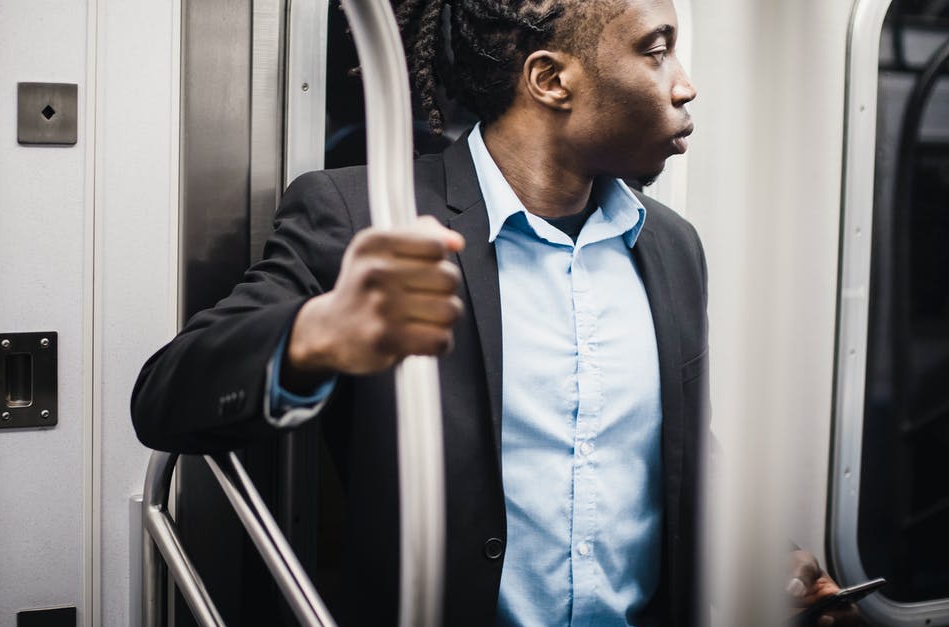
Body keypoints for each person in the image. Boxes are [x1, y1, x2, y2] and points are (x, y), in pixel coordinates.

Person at [131, 0, 849, 624]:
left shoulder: (670, 248)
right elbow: (165, 397)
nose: (685, 85)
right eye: (655, 51)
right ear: (550, 79)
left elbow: (674, 456)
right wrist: (318, 332)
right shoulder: (363, 216)